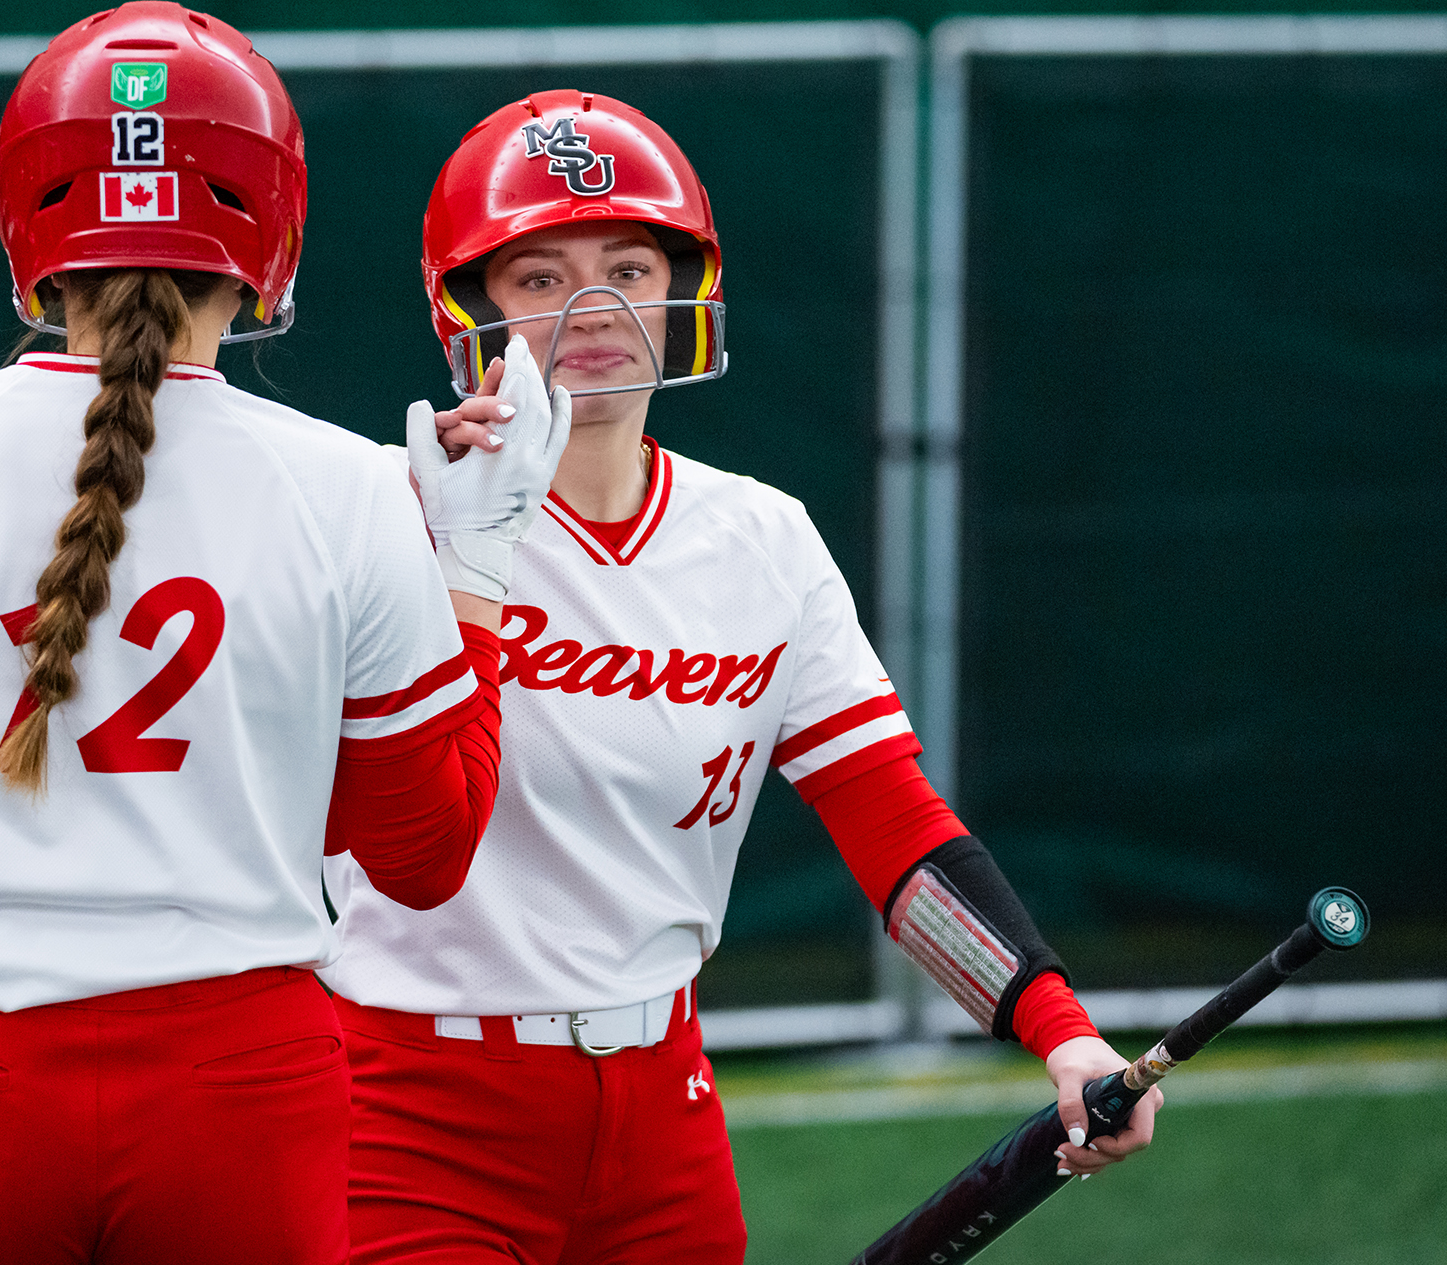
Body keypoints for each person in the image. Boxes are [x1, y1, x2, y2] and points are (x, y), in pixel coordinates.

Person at [0, 4, 568, 1265]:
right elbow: (423, 855)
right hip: (240, 1096)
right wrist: (477, 570)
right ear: (264, 238)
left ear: (30, 226)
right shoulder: (346, 487)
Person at [322, 90, 1163, 1264]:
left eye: (630, 262)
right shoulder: (375, 511)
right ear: (469, 308)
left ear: (684, 296)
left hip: (662, 1116)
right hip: (405, 1110)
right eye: (541, 276)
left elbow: (889, 820)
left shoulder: (761, 535)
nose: (596, 305)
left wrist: (1059, 1031)